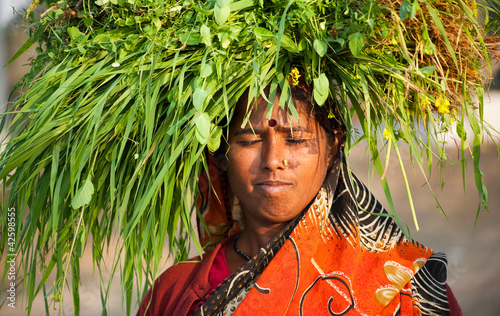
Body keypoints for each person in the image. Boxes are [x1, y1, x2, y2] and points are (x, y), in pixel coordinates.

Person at [137, 74, 462, 315]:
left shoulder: (405, 288)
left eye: (295, 139)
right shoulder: (175, 292)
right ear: (220, 156)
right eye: (249, 140)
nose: (273, 160)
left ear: (333, 145)